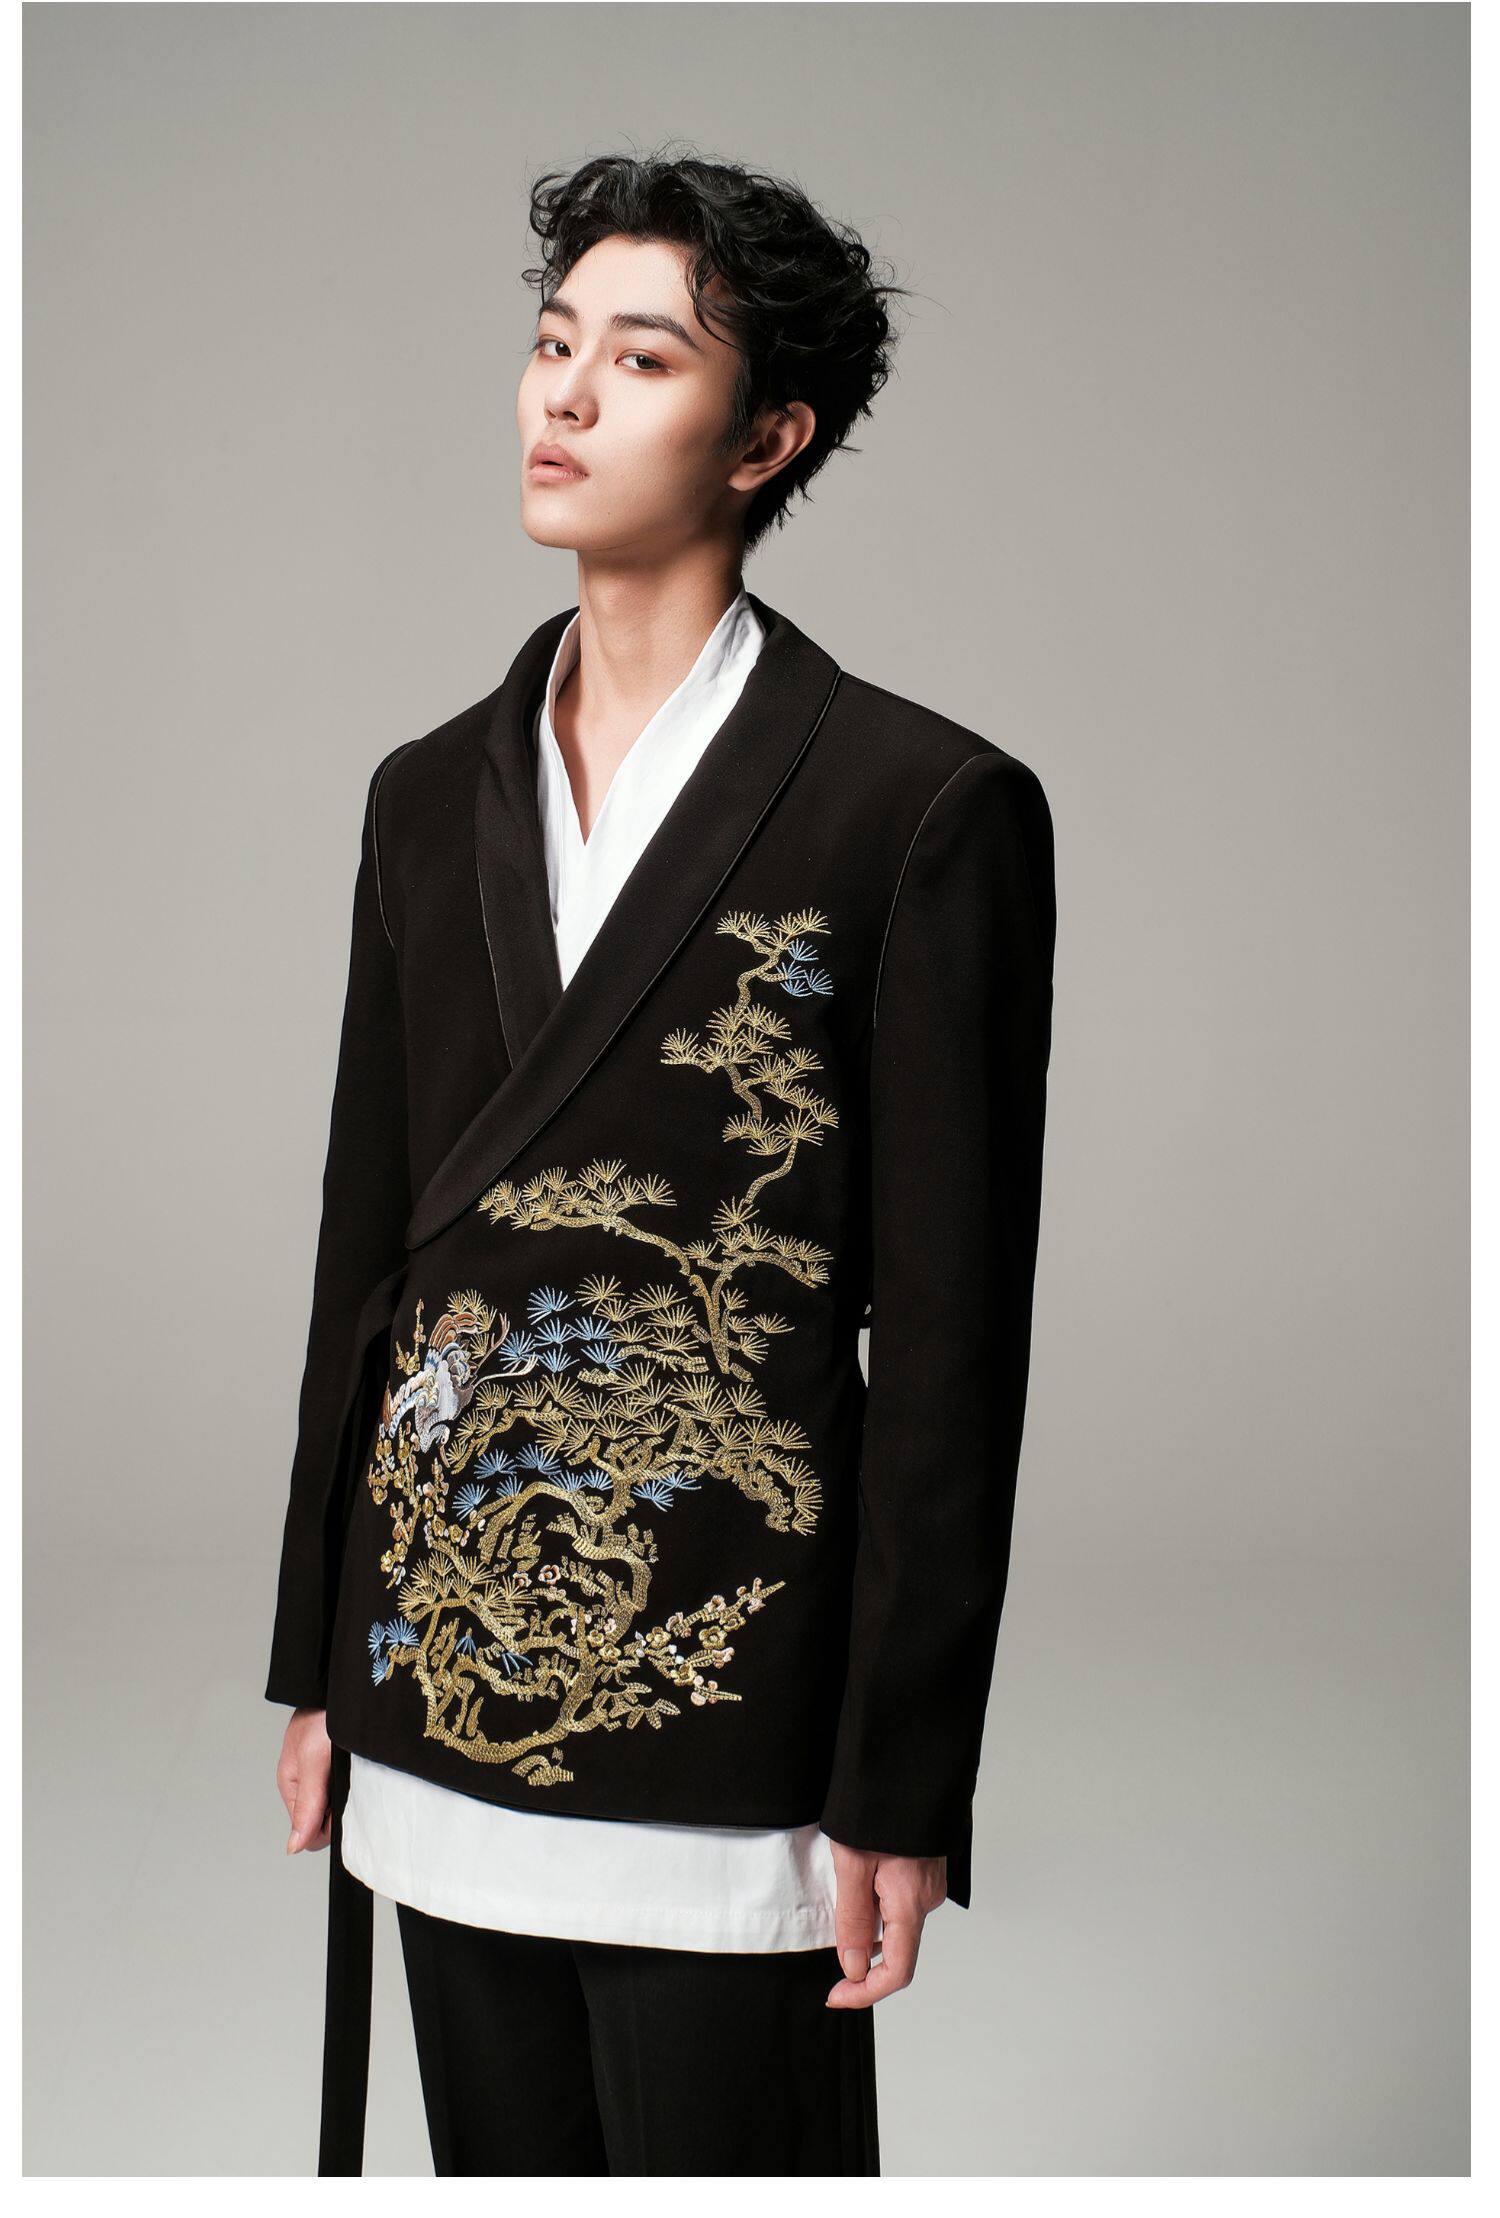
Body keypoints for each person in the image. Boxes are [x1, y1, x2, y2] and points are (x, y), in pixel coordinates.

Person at [267, 148, 1056, 2178]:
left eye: (639, 357)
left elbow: (950, 1347)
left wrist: (905, 1777)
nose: (565, 392)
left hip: (738, 1697)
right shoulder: (423, 794)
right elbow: (368, 1249)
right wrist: (317, 1657)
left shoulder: (918, 806)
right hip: (444, 1645)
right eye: (553, 343)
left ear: (766, 437)